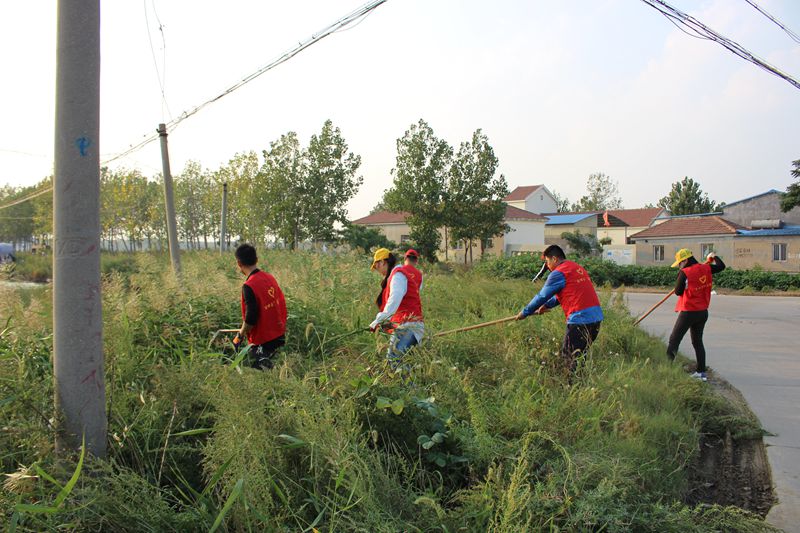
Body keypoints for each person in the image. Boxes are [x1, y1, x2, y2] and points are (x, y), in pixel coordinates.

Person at [516, 245, 604, 374]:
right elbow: (565, 294)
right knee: (579, 359)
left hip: (580, 321)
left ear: (554, 259)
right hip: (595, 320)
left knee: (569, 361)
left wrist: (525, 312)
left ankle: (570, 385)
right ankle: (580, 384)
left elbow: (542, 296)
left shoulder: (558, 273)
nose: (547, 266)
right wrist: (546, 306)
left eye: (547, 261)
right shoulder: (576, 267)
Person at [667, 248, 726, 381]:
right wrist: (714, 257)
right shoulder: (706, 268)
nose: (679, 266)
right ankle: (701, 373)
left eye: (680, 263)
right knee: (697, 342)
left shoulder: (684, 272)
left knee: (674, 340)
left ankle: (666, 368)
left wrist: (682, 281)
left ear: (685, 260)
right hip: (702, 312)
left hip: (688, 312)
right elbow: (721, 266)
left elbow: (678, 292)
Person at [233, 243, 287, 370]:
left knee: (262, 373)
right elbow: (280, 303)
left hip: (263, 341)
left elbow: (251, 318)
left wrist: (240, 335)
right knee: (279, 369)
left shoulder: (249, 286)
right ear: (256, 260)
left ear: (239, 263)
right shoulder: (270, 277)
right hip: (279, 335)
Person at [369, 247, 424, 373]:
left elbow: (395, 299)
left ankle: (411, 385)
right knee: (392, 361)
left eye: (376, 266)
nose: (378, 271)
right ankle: (410, 383)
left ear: (383, 262)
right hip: (402, 325)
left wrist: (378, 320)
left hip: (410, 325)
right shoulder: (396, 275)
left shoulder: (398, 275)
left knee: (396, 359)